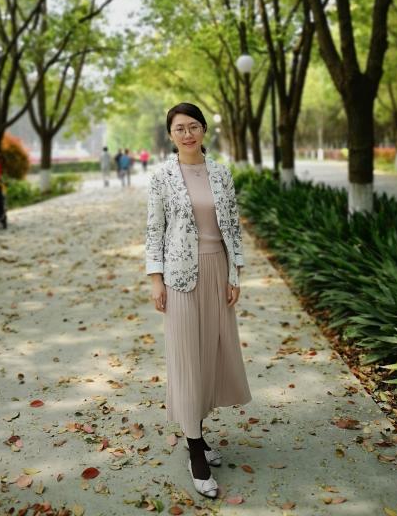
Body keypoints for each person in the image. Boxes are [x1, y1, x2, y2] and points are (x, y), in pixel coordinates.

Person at [145, 102, 251, 499]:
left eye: (193, 126)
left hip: (216, 271)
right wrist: (156, 280)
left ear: (203, 130)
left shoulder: (221, 173)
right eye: (179, 128)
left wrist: (234, 274)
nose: (187, 134)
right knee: (187, 357)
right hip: (179, 277)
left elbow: (233, 228)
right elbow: (154, 230)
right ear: (170, 135)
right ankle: (194, 450)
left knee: (209, 356)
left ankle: (199, 434)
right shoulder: (161, 177)